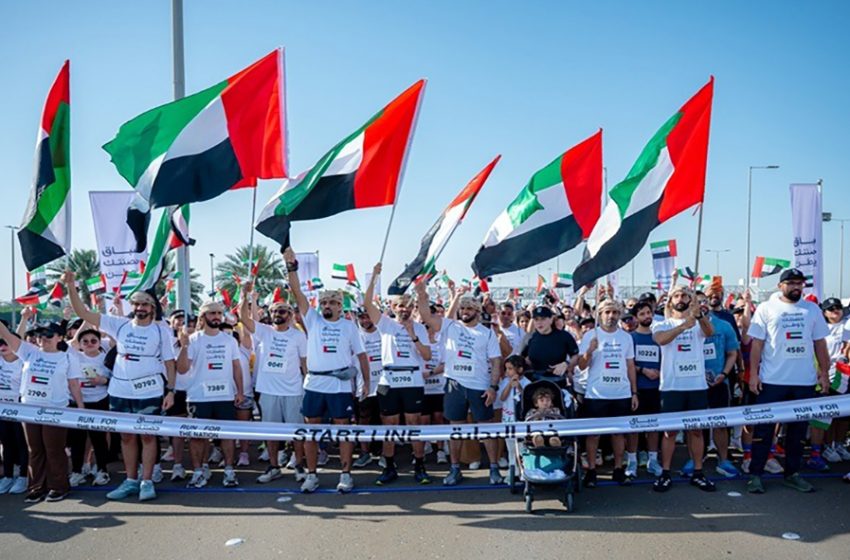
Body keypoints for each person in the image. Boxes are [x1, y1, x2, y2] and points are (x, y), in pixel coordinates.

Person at [65, 270, 176, 502]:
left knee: (147, 436)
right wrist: (71, 286)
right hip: (120, 389)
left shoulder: (161, 331)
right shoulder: (119, 325)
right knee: (126, 437)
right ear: (131, 306)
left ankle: (147, 481)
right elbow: (82, 312)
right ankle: (131, 480)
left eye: (145, 304)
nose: (141, 308)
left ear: (152, 308)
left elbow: (169, 362)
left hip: (150, 389)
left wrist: (171, 391)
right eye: (136, 304)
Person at [284, 247, 370, 494]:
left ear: (340, 305)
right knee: (311, 429)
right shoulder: (312, 319)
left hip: (340, 384)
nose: (327, 305)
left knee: (343, 428)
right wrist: (292, 268)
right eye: (323, 302)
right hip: (314, 384)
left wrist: (367, 383)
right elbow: (297, 291)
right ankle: (312, 475)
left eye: (332, 302)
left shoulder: (348, 325)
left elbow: (362, 356)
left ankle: (345, 474)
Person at [746, 269, 831, 494]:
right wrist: (753, 374)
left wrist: (824, 373)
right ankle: (756, 474)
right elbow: (756, 344)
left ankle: (792, 473)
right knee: (763, 430)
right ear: (780, 285)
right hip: (773, 380)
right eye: (791, 283)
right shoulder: (766, 308)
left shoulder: (812, 309)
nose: (796, 287)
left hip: (803, 382)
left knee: (797, 431)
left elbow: (820, 344)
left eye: (800, 284)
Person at [416, 281, 504, 486]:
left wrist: (493, 387)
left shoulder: (487, 332)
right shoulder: (450, 326)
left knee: (487, 428)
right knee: (456, 428)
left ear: (477, 311)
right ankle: (455, 469)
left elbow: (496, 362)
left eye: (469, 308)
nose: (464, 311)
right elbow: (427, 317)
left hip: (479, 385)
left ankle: (493, 469)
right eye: (462, 308)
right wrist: (422, 295)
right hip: (454, 384)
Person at [0, 320, 84, 503]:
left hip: (56, 409)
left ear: (59, 337)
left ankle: (58, 486)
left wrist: (81, 408)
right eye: (39, 335)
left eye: (48, 335)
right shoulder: (29, 352)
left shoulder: (68, 357)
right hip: (29, 409)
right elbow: (6, 335)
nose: (42, 339)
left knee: (54, 448)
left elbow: (74, 385)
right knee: (35, 449)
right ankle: (37, 486)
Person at [364, 264, 432, 485]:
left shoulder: (420, 328)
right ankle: (389, 466)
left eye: (408, 306)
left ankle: (419, 465)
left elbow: (428, 356)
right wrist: (374, 277)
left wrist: (413, 335)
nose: (404, 310)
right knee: (389, 426)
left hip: (412, 378)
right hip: (389, 379)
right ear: (393, 307)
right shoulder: (386, 324)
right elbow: (367, 304)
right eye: (400, 306)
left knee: (414, 425)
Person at [239, 284, 307, 483]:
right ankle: (274, 466)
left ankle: (300, 465)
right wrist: (244, 296)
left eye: (283, 311)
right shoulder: (264, 331)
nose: (279, 314)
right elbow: (244, 318)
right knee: (271, 432)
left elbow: (304, 363)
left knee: (297, 431)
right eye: (275, 311)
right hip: (268, 391)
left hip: (293, 390)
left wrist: (308, 385)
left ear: (290, 314)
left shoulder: (298, 335)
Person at [651, 285, 716, 493]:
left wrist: (699, 317)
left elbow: (709, 332)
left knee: (696, 430)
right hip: (672, 386)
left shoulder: (697, 321)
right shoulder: (662, 323)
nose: (681, 299)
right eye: (677, 296)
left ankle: (698, 471)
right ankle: (666, 472)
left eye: (685, 296)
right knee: (670, 432)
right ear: (670, 301)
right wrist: (682, 327)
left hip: (696, 385)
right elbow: (660, 340)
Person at [176, 301, 244, 488]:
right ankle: (199, 471)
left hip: (225, 396)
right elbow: (181, 370)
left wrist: (240, 391)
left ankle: (229, 471)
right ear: (203, 316)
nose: (216, 316)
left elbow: (236, 367)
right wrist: (183, 346)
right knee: (198, 436)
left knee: (227, 435)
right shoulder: (194, 339)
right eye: (212, 313)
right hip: (199, 397)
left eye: (219, 313)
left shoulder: (229, 340)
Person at [576, 299, 638, 487]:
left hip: (621, 393)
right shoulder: (590, 335)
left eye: (615, 312)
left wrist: (634, 392)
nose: (611, 316)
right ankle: (592, 471)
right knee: (593, 435)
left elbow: (630, 365)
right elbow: (581, 365)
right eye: (607, 312)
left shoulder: (626, 337)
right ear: (600, 314)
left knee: (618, 434)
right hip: (596, 394)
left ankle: (618, 469)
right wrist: (589, 351)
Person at [695, 291, 740, 479]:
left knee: (721, 423)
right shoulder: (685, 327)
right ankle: (696, 458)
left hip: (719, 381)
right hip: (694, 383)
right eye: (696, 303)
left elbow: (732, 354)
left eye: (703, 302)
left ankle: (723, 459)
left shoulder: (724, 325)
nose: (701, 305)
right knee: (696, 425)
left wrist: (724, 373)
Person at [67, 328, 112, 487]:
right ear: (79, 344)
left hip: (99, 401)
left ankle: (102, 470)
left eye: (93, 341)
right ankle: (77, 471)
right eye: (85, 341)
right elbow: (70, 345)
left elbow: (114, 379)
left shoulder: (105, 358)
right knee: (77, 440)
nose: (89, 344)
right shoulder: (74, 356)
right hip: (77, 402)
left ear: (100, 343)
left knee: (98, 438)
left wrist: (102, 381)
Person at [626, 301, 664, 478]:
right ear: (635, 318)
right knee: (634, 427)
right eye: (642, 314)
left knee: (653, 426)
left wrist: (660, 372)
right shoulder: (630, 338)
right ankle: (632, 460)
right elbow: (629, 363)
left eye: (649, 313)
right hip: (637, 389)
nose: (647, 316)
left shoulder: (659, 337)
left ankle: (653, 460)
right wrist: (643, 370)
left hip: (656, 388)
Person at [819, 298, 850, 462]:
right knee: (830, 411)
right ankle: (827, 445)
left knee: (844, 414)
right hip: (829, 373)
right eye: (831, 309)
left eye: (838, 307)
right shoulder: (820, 329)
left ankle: (839, 444)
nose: (835, 311)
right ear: (824, 312)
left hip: (845, 372)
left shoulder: (847, 325)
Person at [353, 307, 383, 468]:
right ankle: (365, 453)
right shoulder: (355, 335)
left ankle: (386, 453)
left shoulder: (383, 332)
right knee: (364, 418)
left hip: (384, 384)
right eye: (361, 318)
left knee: (385, 418)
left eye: (368, 317)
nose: (365, 321)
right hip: (363, 385)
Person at [0, 330, 29, 495]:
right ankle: (8, 475)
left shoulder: (24, 363)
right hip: (2, 408)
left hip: (21, 408)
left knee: (21, 443)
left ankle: (23, 476)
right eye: (0, 343)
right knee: (6, 443)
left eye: (7, 343)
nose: (3, 346)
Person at [521, 306, 579, 383]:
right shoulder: (529, 337)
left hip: (558, 381)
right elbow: (521, 358)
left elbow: (576, 355)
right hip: (533, 382)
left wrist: (566, 364)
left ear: (551, 319)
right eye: (536, 319)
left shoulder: (564, 336)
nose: (539, 322)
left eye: (543, 319)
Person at [164, 309, 190, 482]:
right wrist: (183, 346)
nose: (181, 324)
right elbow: (178, 368)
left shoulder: (198, 341)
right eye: (178, 320)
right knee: (178, 431)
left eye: (185, 321)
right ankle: (178, 465)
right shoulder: (168, 343)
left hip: (198, 392)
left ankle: (200, 466)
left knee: (199, 433)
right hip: (178, 391)